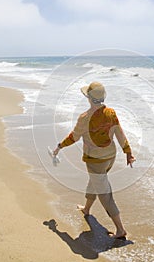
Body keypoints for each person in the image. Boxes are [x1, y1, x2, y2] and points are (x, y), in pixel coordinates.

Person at [53, 82, 135, 239]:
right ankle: (87, 209)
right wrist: (128, 153)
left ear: (89, 97)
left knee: (105, 194)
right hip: (110, 158)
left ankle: (120, 230)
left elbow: (73, 137)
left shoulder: (84, 118)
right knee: (95, 182)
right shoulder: (111, 112)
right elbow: (120, 133)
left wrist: (59, 146)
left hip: (95, 160)